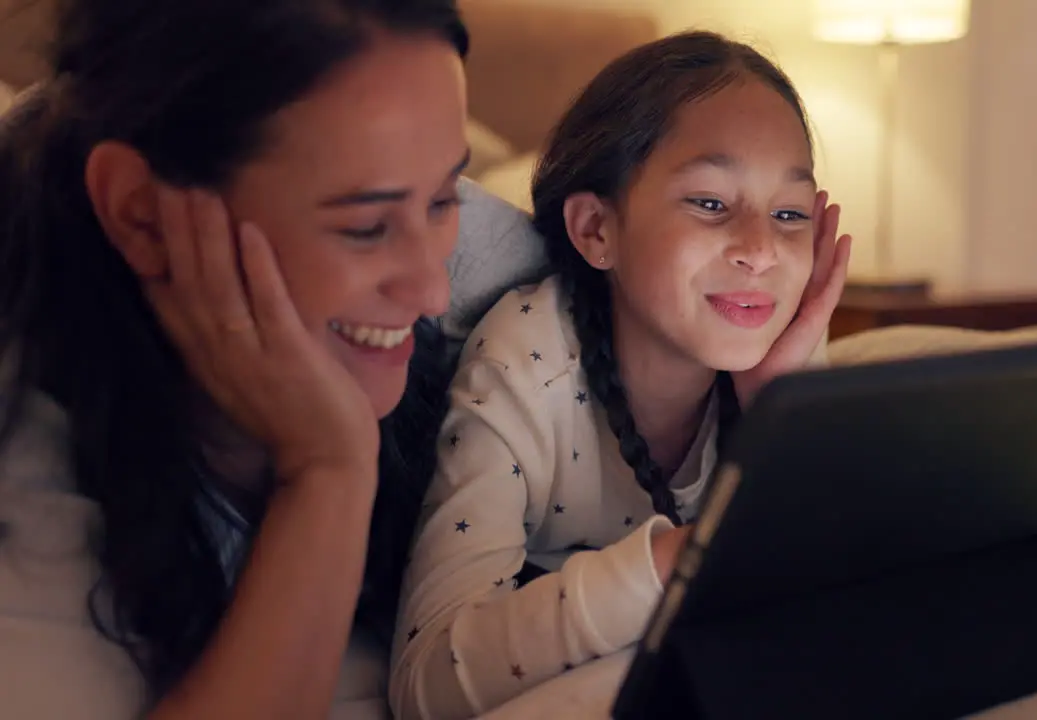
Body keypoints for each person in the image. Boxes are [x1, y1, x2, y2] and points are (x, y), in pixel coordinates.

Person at [0, 0, 550, 717]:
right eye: (364, 228)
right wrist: (329, 469)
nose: (429, 287)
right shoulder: (26, 447)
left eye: (444, 198)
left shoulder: (412, 192)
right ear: (141, 214)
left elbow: (633, 299)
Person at [390, 30, 852, 720]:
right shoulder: (524, 362)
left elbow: (828, 591)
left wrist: (776, 420)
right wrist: (673, 563)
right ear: (597, 230)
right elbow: (424, 684)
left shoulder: (773, 354)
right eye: (710, 203)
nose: (761, 249)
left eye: (789, 214)